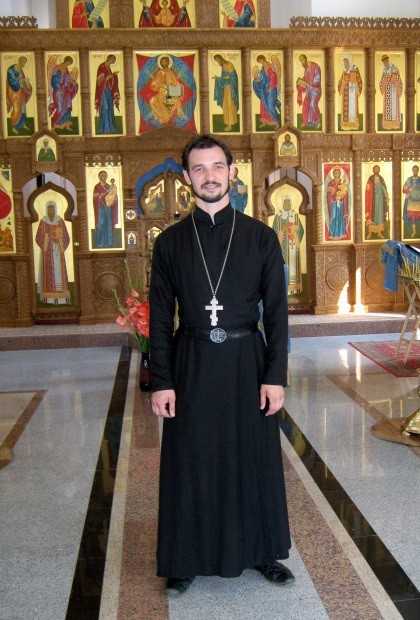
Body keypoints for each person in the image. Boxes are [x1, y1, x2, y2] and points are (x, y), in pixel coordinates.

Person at [149, 134, 293, 597]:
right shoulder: (170, 243)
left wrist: (275, 376)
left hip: (247, 361)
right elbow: (159, 317)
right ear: (187, 177)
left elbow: (277, 314)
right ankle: (184, 558)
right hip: (191, 361)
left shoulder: (261, 237)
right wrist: (161, 380)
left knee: (253, 456)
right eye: (199, 168)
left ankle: (262, 551)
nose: (209, 176)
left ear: (232, 172)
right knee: (191, 460)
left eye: (216, 167)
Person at [35, 201, 71, 304]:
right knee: (48, 272)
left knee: (59, 271)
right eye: (49, 208)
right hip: (47, 252)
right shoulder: (43, 221)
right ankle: (48, 298)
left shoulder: (60, 221)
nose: (51, 210)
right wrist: (48, 237)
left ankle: (62, 298)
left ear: (55, 209)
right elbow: (39, 237)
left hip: (58, 250)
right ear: (46, 209)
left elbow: (66, 236)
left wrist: (59, 240)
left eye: (52, 208)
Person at [272, 196, 304, 294]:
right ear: (282, 204)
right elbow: (273, 231)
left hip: (292, 245)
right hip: (282, 246)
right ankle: (283, 289)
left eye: (288, 203)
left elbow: (301, 230)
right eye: (285, 203)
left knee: (293, 267)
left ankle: (294, 289)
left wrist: (294, 234)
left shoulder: (295, 215)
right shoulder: (278, 216)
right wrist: (282, 230)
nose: (287, 205)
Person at [48, 56, 79, 131]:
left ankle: (66, 125)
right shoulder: (58, 68)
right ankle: (55, 125)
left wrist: (73, 83)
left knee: (67, 107)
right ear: (67, 61)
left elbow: (67, 80)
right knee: (60, 109)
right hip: (59, 91)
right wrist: (59, 89)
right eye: (69, 63)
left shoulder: (66, 69)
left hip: (66, 92)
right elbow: (54, 80)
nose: (69, 64)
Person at [212, 54, 239, 132]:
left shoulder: (229, 65)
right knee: (225, 105)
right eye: (216, 61)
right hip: (226, 88)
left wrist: (229, 77)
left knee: (229, 104)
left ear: (221, 58)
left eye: (218, 60)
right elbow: (223, 78)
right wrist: (218, 78)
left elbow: (234, 76)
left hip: (231, 88)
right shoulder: (223, 66)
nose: (218, 62)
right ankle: (228, 123)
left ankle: (230, 124)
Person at [94, 54, 120, 134]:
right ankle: (105, 128)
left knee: (110, 107)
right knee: (105, 107)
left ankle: (111, 127)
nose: (112, 62)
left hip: (108, 91)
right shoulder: (101, 67)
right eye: (112, 61)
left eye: (113, 62)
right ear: (109, 59)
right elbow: (99, 81)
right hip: (102, 91)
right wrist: (108, 77)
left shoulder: (108, 68)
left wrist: (114, 76)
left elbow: (110, 80)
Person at [252, 55, 280, 128]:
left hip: (271, 89)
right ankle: (264, 121)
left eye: (259, 61)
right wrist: (256, 80)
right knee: (264, 106)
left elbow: (273, 77)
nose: (260, 63)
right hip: (264, 90)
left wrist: (271, 87)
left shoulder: (269, 66)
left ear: (262, 59)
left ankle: (277, 122)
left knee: (271, 106)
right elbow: (261, 78)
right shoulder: (263, 67)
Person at [6, 56, 32, 135]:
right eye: (24, 62)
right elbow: (11, 81)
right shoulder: (11, 69)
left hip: (21, 91)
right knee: (16, 109)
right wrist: (19, 81)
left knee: (23, 108)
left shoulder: (20, 69)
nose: (24, 64)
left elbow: (22, 80)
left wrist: (26, 84)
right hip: (14, 91)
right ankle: (13, 126)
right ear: (20, 61)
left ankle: (23, 124)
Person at [93, 170, 118, 247]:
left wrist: (115, 197)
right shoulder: (97, 187)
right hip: (100, 207)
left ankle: (109, 242)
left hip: (108, 207)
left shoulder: (109, 186)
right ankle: (100, 242)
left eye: (105, 176)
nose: (104, 177)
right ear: (99, 177)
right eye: (102, 176)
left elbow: (113, 194)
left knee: (109, 223)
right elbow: (95, 197)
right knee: (101, 222)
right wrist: (106, 192)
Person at [337, 53, 363, 131]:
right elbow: (340, 82)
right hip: (346, 93)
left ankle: (354, 124)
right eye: (344, 62)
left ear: (349, 61)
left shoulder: (355, 69)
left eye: (346, 62)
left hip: (353, 92)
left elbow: (359, 81)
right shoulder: (344, 71)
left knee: (352, 107)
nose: (345, 64)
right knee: (346, 108)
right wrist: (343, 83)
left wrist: (355, 82)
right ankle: (346, 125)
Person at [296, 54, 322, 129]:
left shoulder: (315, 66)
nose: (301, 62)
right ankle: (305, 122)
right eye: (300, 61)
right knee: (305, 104)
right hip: (309, 90)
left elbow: (317, 79)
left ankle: (318, 122)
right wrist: (300, 82)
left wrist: (309, 84)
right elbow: (305, 78)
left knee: (313, 104)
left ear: (305, 59)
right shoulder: (306, 68)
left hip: (315, 90)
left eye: (302, 60)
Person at [365, 165, 389, 240]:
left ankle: (379, 232)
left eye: (377, 169)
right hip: (372, 199)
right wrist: (368, 196)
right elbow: (367, 190)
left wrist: (386, 196)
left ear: (379, 170)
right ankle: (370, 232)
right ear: (373, 170)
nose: (376, 170)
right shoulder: (370, 178)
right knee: (373, 215)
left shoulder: (381, 178)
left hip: (380, 199)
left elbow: (384, 188)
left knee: (380, 215)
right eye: (375, 169)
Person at [379, 54, 403, 130]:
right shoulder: (384, 70)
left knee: (394, 105)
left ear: (388, 60)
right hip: (387, 91)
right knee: (387, 107)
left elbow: (399, 79)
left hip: (394, 90)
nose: (385, 62)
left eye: (386, 60)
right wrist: (384, 83)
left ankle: (395, 124)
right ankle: (387, 124)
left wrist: (395, 81)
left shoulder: (395, 68)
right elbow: (382, 80)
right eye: (383, 61)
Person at [325, 167, 349, 239]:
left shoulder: (342, 182)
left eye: (338, 173)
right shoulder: (331, 183)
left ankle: (341, 233)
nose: (336, 174)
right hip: (333, 203)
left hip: (341, 202)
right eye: (335, 173)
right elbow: (328, 193)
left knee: (340, 217)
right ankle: (332, 234)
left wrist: (341, 196)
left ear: (340, 174)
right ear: (333, 174)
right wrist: (332, 194)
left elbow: (345, 193)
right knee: (333, 216)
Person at [402, 165, 420, 238]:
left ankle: (417, 231)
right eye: (414, 170)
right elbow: (404, 190)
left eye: (416, 170)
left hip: (418, 201)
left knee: (417, 216)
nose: (415, 171)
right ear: (412, 171)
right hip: (411, 200)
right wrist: (409, 189)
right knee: (412, 216)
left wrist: (417, 187)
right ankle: (413, 231)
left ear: (418, 171)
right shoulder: (409, 180)